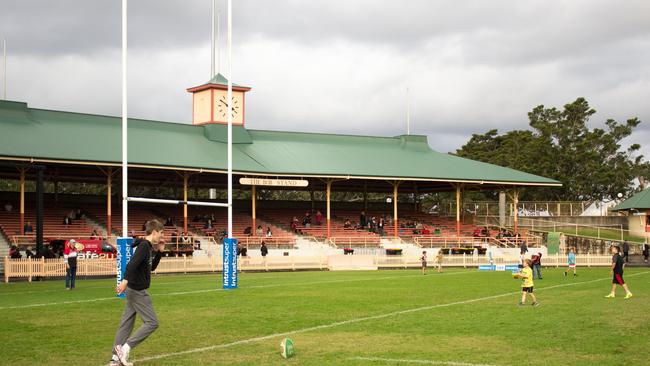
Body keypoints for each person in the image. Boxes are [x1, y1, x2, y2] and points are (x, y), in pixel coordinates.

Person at [111, 219, 165, 366]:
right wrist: (124, 281)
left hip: (133, 290)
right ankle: (125, 349)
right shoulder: (143, 246)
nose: (161, 236)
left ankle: (115, 359)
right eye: (160, 233)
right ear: (154, 232)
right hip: (137, 291)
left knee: (126, 323)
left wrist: (160, 253)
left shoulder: (148, 247)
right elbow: (131, 264)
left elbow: (151, 268)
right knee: (152, 323)